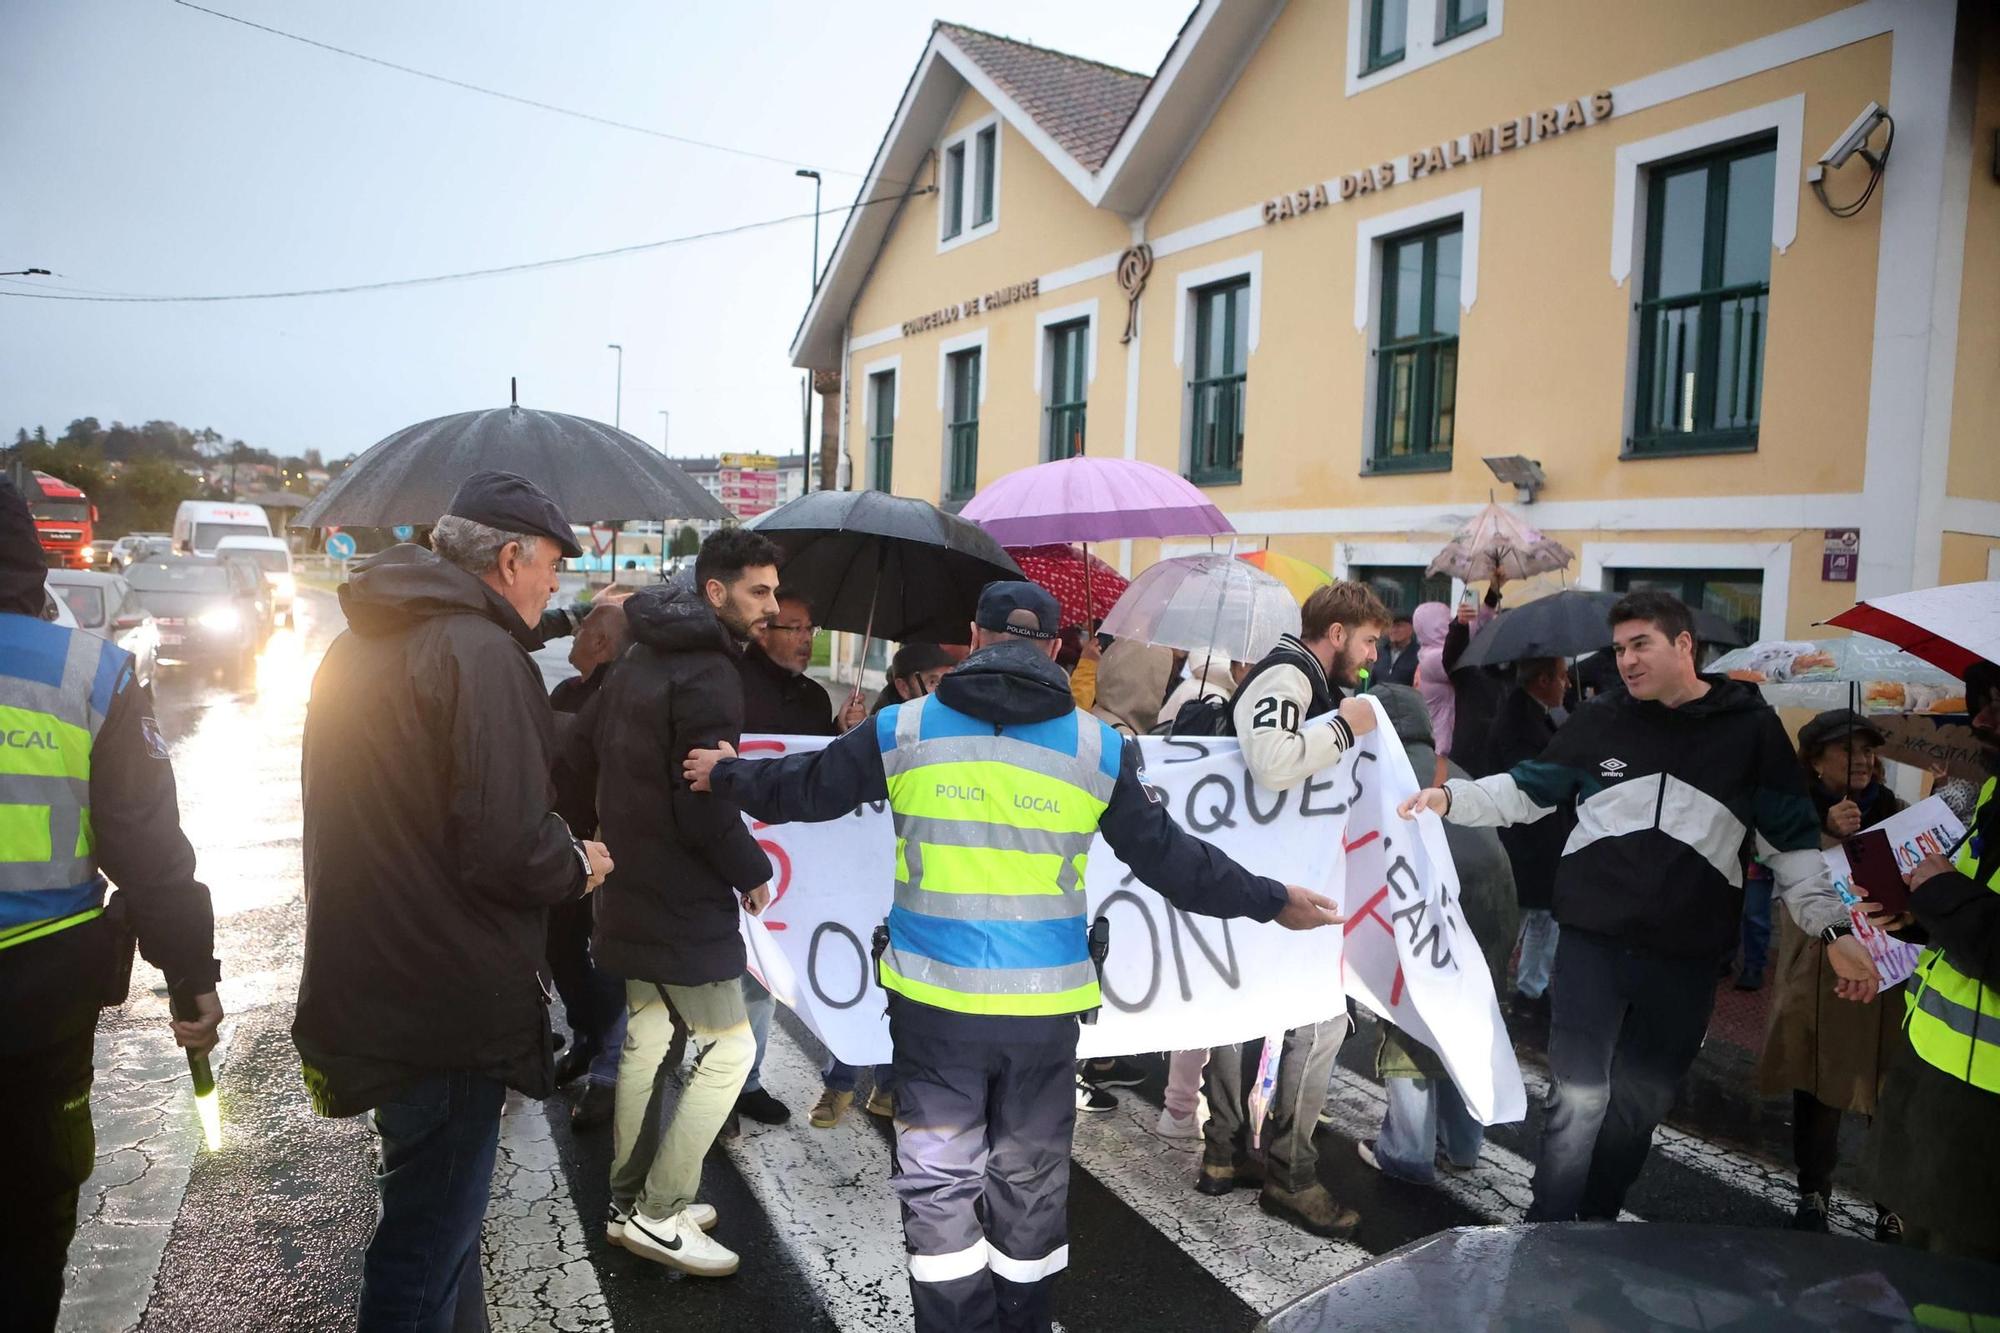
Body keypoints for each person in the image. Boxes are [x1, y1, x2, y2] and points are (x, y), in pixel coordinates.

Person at [683, 581, 1344, 1332]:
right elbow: (1173, 860)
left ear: (974, 635)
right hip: (1043, 1014)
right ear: (1056, 647)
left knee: (939, 1187)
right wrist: (1272, 899)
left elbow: (802, 790)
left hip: (934, 1009)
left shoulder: (903, 728)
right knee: (1028, 1183)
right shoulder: (1098, 746)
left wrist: (725, 773)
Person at [1398, 590, 1878, 1223]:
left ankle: (1597, 1222)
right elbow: (1526, 791)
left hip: (1686, 959)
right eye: (1620, 648)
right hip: (1591, 944)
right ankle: (1548, 1227)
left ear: (1684, 645)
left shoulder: (1752, 731)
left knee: (1636, 1109)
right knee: (1577, 1098)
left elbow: (1792, 851)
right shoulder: (1600, 719)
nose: (1626, 660)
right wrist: (1451, 799)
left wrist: (1837, 933)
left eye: (1640, 644)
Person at [295, 471, 612, 1330]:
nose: (553, 583)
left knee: (440, 1228)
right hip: (448, 994)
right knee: (424, 1247)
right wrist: (577, 861)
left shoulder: (361, 639)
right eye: (551, 564)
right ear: (509, 559)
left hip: (376, 968)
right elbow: (508, 843)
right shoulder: (481, 655)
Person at [0, 478, 224, 1333]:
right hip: (37, 1008)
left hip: (42, 1000)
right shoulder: (87, 672)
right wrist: (192, 979)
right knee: (28, 1226)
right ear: (34, 566)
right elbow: (149, 851)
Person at [556, 526, 781, 1278]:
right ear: (715, 592)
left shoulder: (639, 654)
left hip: (629, 886)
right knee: (731, 1048)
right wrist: (750, 868)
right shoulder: (711, 673)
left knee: (649, 1038)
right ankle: (661, 1210)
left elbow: (577, 751)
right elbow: (702, 797)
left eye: (774, 591)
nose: (771, 606)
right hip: (682, 898)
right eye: (758, 591)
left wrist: (601, 833)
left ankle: (629, 1202)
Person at [1200, 580, 1388, 1239]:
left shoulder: (1299, 677)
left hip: (1262, 874)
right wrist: (1345, 726)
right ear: (1336, 633)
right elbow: (1274, 763)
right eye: (1368, 640)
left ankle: (1224, 1153)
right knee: (1320, 1019)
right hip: (1273, 881)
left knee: (1241, 1009)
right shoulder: (1289, 676)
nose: (1372, 656)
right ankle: (1291, 1172)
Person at [1867, 658, 2000, 1262]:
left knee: (1957, 1288)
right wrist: (1919, 919)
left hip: (1984, 1117)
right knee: (1919, 1271)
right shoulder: (1995, 791)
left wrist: (1943, 893)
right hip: (1935, 1081)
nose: (1981, 720)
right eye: (1981, 701)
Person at [1358, 684, 1518, 1184]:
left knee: (1412, 1025)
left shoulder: (1380, 773)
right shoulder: (1453, 771)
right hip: (1495, 912)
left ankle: (1407, 1153)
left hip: (1430, 914)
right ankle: (1463, 1147)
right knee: (1465, 1024)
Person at [1759, 709, 1910, 1236]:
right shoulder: (1793, 811)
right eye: (1848, 749)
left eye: (1868, 750)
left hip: (1886, 971)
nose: (1862, 760)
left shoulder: (1894, 809)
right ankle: (1814, 1192)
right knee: (1819, 1081)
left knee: (1887, 1091)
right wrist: (1825, 832)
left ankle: (1892, 1203)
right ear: (1816, 761)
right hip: (1821, 970)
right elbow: (1783, 870)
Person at [730, 586, 867, 1135]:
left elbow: (817, 775)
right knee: (734, 974)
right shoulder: (730, 686)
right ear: (764, 630)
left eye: (812, 629)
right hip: (731, 847)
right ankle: (722, 1086)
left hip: (790, 857)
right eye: (796, 628)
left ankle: (748, 1083)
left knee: (766, 972)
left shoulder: (812, 697)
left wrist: (841, 735)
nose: (807, 639)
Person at [819, 642, 958, 1131]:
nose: (945, 689)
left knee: (901, 987)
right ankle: (838, 1082)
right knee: (855, 978)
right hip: (863, 877)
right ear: (903, 684)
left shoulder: (950, 728)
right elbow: (828, 778)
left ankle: (887, 1085)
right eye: (935, 680)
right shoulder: (876, 729)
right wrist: (846, 735)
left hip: (914, 880)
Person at [548, 589, 636, 1132]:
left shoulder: (625, 697)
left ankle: (609, 1065)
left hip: (606, 850)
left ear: (601, 642)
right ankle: (585, 1037)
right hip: (559, 847)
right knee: (560, 949)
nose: (575, 635)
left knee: (606, 962)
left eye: (582, 630)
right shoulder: (565, 691)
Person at [1483, 656, 1573, 1018]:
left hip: (1538, 841)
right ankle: (1496, 992)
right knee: (1515, 921)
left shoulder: (1537, 714)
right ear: (1542, 680)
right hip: (1526, 842)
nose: (1568, 684)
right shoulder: (1520, 722)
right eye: (1562, 677)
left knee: (1542, 918)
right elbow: (1531, 781)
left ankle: (1530, 991)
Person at [1382, 610, 1421, 686]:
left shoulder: (1419, 655)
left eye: (1398, 626)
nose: (1393, 630)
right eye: (1390, 626)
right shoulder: (1380, 652)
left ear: (1411, 629)